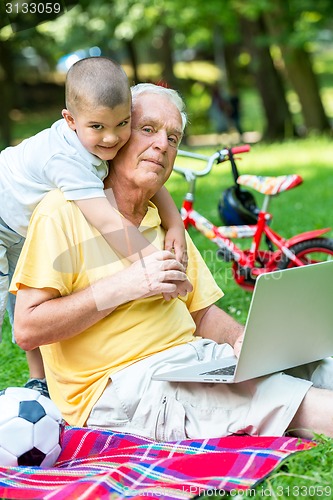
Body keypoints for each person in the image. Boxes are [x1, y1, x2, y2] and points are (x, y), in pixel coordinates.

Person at [11, 83, 333, 441]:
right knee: (289, 401)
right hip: (122, 387)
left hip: (196, 362)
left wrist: (244, 341)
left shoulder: (163, 221)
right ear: (115, 135)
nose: (162, 145)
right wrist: (124, 286)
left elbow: (201, 313)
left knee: (319, 364)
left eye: (174, 138)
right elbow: (27, 328)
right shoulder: (61, 212)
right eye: (147, 129)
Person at [0, 58, 187, 397]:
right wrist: (154, 264)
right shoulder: (66, 161)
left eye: (123, 124)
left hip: (22, 225)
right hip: (2, 224)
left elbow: (152, 180)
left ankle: (39, 382)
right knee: (11, 308)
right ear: (69, 120)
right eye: (98, 127)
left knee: (30, 290)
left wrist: (174, 222)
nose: (112, 138)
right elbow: (106, 220)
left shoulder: (99, 136)